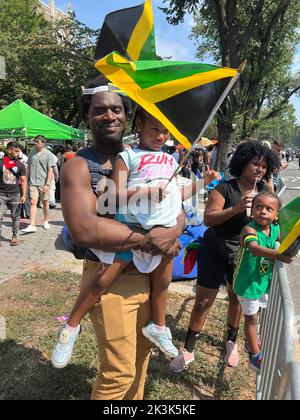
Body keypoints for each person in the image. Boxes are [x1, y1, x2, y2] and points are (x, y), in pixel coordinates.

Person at [51, 105, 219, 368]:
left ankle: (159, 326)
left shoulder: (171, 160)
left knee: (163, 282)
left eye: (165, 131)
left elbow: (180, 196)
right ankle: (71, 326)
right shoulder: (127, 156)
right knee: (103, 278)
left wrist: (203, 182)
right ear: (138, 125)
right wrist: (144, 194)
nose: (161, 136)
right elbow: (112, 196)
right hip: (130, 229)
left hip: (162, 232)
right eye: (154, 129)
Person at [53, 74, 186, 400]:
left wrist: (175, 229)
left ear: (128, 116)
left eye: (116, 109)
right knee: (118, 373)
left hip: (147, 275)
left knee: (140, 361)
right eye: (100, 110)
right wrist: (151, 239)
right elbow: (84, 229)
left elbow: (174, 206)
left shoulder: (144, 158)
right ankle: (70, 326)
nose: (109, 116)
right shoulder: (78, 167)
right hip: (109, 280)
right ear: (87, 115)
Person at [170, 140, 280, 373]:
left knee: (235, 300)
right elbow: (208, 219)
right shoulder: (224, 188)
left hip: (242, 254)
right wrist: (237, 208)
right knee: (202, 301)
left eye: (263, 166)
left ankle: (231, 342)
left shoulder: (264, 194)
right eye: (255, 164)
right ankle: (188, 349)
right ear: (242, 163)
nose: (259, 169)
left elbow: (276, 220)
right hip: (214, 248)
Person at [233, 191, 293, 371]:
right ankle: (255, 355)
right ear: (252, 211)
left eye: (269, 209)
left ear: (276, 215)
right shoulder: (249, 229)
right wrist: (278, 255)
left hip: (261, 282)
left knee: (255, 315)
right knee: (251, 318)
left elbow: (285, 240)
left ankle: (251, 340)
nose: (263, 212)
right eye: (258, 207)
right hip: (247, 284)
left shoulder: (274, 230)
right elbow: (254, 248)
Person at [21, 135, 56, 232]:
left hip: (44, 183)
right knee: (33, 202)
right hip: (33, 182)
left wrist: (47, 184)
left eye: (38, 142)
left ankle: (46, 221)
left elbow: (50, 170)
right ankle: (32, 225)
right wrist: (26, 179)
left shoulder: (48, 154)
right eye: (35, 141)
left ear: (43, 143)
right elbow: (28, 166)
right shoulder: (32, 152)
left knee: (45, 203)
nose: (36, 143)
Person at [0, 141, 27, 246]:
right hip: (1, 195)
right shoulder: (1, 163)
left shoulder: (20, 165)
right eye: (16, 151)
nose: (18, 153)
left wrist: (24, 195)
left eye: (19, 151)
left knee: (15, 217)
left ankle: (15, 237)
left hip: (15, 195)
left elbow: (24, 180)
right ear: (9, 150)